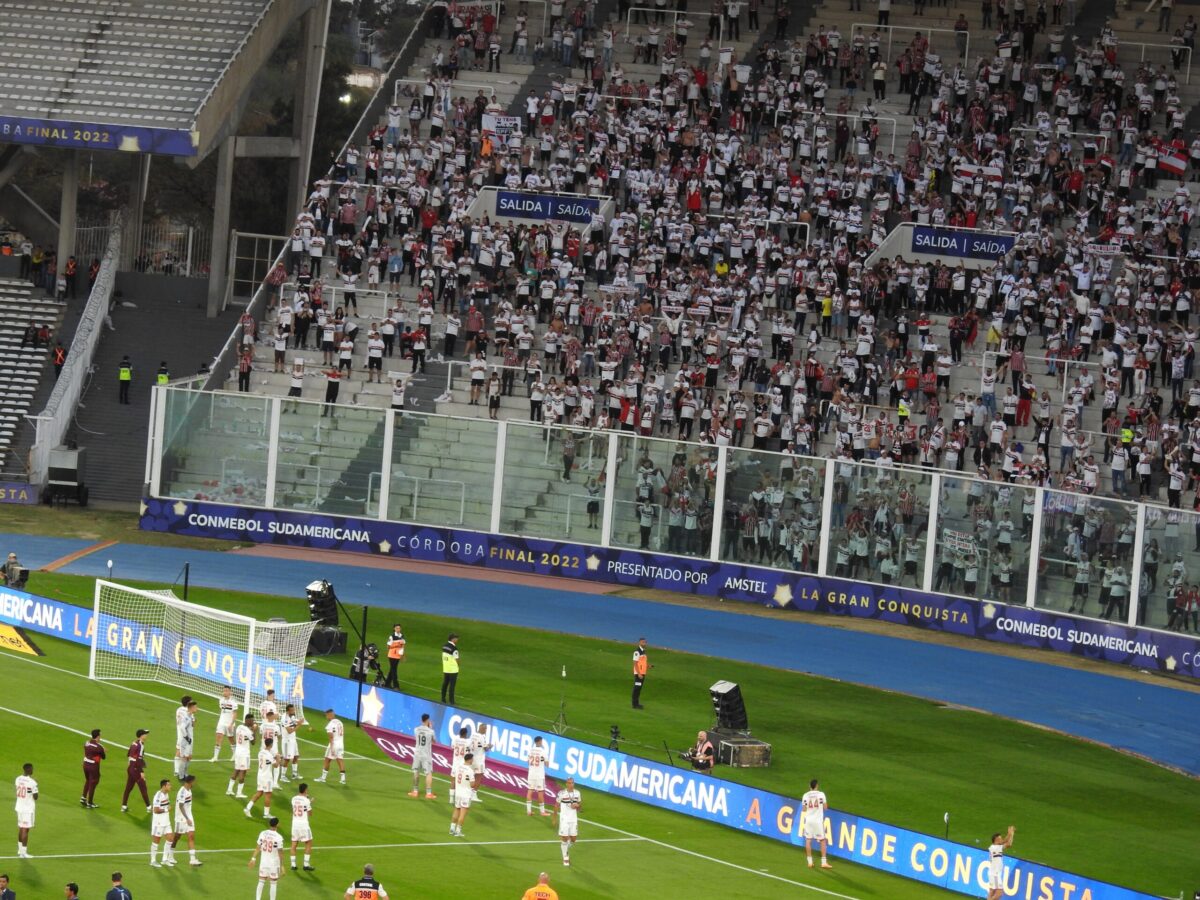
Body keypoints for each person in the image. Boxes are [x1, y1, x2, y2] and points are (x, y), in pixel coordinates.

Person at [249, 817, 284, 900]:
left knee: (261, 881)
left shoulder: (263, 833)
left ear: (269, 824)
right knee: (273, 883)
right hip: (274, 863)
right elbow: (280, 853)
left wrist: (253, 859)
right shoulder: (278, 837)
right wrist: (282, 866)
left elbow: (258, 848)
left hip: (264, 862)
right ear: (277, 825)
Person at [170, 774, 202, 866]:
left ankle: (192, 859)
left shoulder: (189, 789)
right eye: (194, 781)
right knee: (177, 837)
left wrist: (189, 817)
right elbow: (180, 806)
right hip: (181, 818)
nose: (196, 782)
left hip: (189, 816)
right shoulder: (182, 792)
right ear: (191, 781)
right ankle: (170, 855)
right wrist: (187, 818)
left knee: (191, 836)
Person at [801, 778, 832, 869]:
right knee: (822, 840)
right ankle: (823, 862)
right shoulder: (821, 794)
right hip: (818, 821)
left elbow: (804, 809)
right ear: (817, 786)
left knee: (808, 840)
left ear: (809, 786)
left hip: (809, 820)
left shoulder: (805, 795)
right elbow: (825, 807)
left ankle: (810, 862)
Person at [244, 737, 277, 820]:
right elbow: (276, 765)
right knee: (268, 795)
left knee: (259, 793)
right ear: (271, 744)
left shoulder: (261, 752)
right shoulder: (269, 755)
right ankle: (266, 814)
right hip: (267, 777)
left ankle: (247, 808)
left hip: (260, 775)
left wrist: (274, 758)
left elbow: (268, 761)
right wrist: (279, 758)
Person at [553, 776, 581, 866]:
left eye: (572, 783)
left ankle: (565, 847)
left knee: (573, 839)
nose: (571, 784)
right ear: (566, 784)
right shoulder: (561, 793)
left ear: (574, 783)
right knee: (564, 838)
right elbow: (556, 805)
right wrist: (554, 818)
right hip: (564, 818)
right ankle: (565, 857)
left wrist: (577, 806)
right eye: (569, 783)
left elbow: (580, 805)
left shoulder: (577, 793)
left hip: (573, 819)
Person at [120, 729, 151, 813]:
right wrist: (141, 772)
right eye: (145, 734)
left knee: (128, 787)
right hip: (136, 768)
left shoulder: (134, 743)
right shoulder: (140, 745)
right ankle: (149, 807)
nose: (146, 735)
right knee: (143, 787)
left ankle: (124, 806)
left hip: (130, 767)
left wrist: (130, 766)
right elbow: (138, 759)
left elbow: (128, 754)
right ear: (141, 736)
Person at [227, 713, 257, 798]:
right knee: (243, 772)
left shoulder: (239, 727)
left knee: (236, 770)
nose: (253, 722)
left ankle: (229, 790)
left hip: (238, 751)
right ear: (247, 720)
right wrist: (254, 731)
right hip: (244, 753)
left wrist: (251, 729)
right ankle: (239, 793)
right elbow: (253, 742)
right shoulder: (248, 731)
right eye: (252, 720)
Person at [148, 779, 176, 867]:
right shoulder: (158, 796)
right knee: (156, 841)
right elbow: (155, 810)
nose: (170, 786)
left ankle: (165, 859)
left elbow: (166, 805)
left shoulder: (166, 794)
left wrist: (167, 807)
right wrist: (167, 809)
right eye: (169, 785)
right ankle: (153, 861)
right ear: (164, 786)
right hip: (158, 823)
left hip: (166, 822)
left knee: (170, 839)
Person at [409, 713, 436, 799]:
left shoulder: (416, 729)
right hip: (426, 755)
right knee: (428, 773)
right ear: (428, 720)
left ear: (421, 720)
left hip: (417, 754)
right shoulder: (431, 731)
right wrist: (430, 728)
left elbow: (416, 739)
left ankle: (415, 791)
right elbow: (434, 741)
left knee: (416, 771)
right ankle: (428, 793)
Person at [315, 709, 346, 784]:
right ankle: (343, 779)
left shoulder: (330, 725)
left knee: (327, 760)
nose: (326, 717)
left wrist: (331, 747)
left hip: (334, 744)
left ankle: (323, 778)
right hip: (341, 744)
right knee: (340, 760)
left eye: (326, 715)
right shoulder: (340, 722)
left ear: (330, 714)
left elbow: (331, 737)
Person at [289, 783, 314, 871]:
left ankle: (293, 865)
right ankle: (306, 865)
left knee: (294, 844)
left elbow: (299, 805)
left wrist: (307, 800)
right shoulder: (306, 800)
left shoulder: (293, 799)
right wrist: (310, 802)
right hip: (303, 825)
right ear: (306, 790)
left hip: (294, 825)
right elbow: (310, 814)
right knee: (308, 843)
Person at [14, 762, 37, 859]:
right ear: (27, 769)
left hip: (19, 807)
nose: (32, 770)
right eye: (31, 769)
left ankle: (20, 850)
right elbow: (35, 797)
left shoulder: (18, 779)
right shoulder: (32, 783)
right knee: (25, 829)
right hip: (27, 809)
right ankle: (24, 852)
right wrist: (36, 786)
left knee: (21, 828)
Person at [987, 826, 1016, 900]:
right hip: (995, 874)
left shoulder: (994, 847)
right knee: (999, 894)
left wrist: (1011, 834)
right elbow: (1007, 842)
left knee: (992, 892)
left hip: (993, 873)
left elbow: (1008, 843)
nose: (1002, 839)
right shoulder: (996, 848)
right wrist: (1010, 833)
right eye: (1000, 838)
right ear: (996, 840)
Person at [450, 752, 475, 837]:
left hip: (458, 793)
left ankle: (452, 828)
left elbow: (454, 778)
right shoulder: (470, 771)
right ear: (470, 760)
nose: (473, 761)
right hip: (465, 794)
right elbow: (472, 784)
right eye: (472, 759)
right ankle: (458, 831)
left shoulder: (458, 767)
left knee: (456, 810)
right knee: (463, 813)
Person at [525, 735, 550, 816]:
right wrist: (542, 760)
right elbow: (547, 764)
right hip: (539, 775)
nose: (542, 743)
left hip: (531, 774)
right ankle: (542, 812)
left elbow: (527, 761)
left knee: (530, 791)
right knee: (540, 792)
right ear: (539, 741)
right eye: (541, 741)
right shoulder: (543, 751)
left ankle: (529, 811)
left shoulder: (531, 750)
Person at [279, 704, 305, 784]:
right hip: (287, 741)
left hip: (293, 740)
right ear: (287, 711)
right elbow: (289, 731)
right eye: (292, 710)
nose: (294, 712)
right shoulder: (284, 719)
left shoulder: (292, 716)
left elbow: (295, 721)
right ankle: (283, 776)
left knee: (296, 756)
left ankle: (294, 773)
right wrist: (299, 725)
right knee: (287, 759)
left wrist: (299, 721)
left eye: (294, 710)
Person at [211, 686, 237, 761]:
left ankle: (234, 754)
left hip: (229, 723)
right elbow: (222, 710)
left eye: (226, 691)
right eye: (224, 691)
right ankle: (215, 757)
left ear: (230, 692)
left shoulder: (233, 702)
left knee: (231, 739)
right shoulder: (221, 700)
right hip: (221, 722)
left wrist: (231, 724)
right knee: (218, 737)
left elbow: (235, 713)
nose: (224, 692)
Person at [81, 727, 105, 808]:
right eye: (100, 735)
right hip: (93, 767)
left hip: (85, 765)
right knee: (93, 783)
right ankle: (90, 803)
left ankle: (83, 798)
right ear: (98, 736)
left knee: (88, 780)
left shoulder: (86, 743)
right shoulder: (99, 747)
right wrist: (103, 751)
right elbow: (103, 757)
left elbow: (86, 749)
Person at [174, 696, 196, 780]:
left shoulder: (179, 709)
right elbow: (193, 723)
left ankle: (177, 770)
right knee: (186, 755)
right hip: (186, 735)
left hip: (180, 733)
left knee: (179, 750)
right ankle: (182, 773)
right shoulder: (188, 712)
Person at [470, 723, 491, 801]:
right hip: (479, 760)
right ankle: (473, 794)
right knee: (478, 777)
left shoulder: (473, 735)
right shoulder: (482, 737)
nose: (486, 731)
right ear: (482, 729)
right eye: (485, 729)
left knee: (471, 777)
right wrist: (489, 746)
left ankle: (468, 792)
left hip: (472, 759)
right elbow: (485, 748)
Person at [440, 633, 460, 703]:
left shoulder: (444, 646)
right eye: (456, 638)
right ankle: (451, 701)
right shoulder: (454, 649)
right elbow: (457, 660)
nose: (457, 640)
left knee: (445, 684)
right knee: (452, 686)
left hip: (446, 668)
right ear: (453, 639)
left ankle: (443, 699)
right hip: (453, 670)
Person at [384, 624, 405, 688]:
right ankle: (396, 686)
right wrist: (396, 645)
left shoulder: (402, 636)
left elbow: (403, 646)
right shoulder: (392, 636)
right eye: (397, 628)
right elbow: (388, 646)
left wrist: (402, 655)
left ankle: (387, 684)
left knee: (392, 670)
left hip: (398, 655)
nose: (398, 629)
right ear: (394, 629)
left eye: (399, 628)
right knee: (394, 670)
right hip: (392, 655)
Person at [631, 637, 650, 709]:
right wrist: (638, 674)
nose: (644, 643)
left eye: (645, 642)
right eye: (643, 642)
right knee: (636, 688)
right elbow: (635, 663)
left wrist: (648, 666)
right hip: (638, 674)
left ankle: (637, 704)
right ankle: (634, 704)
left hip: (642, 673)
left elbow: (642, 663)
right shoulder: (637, 652)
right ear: (639, 643)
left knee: (639, 689)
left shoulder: (643, 652)